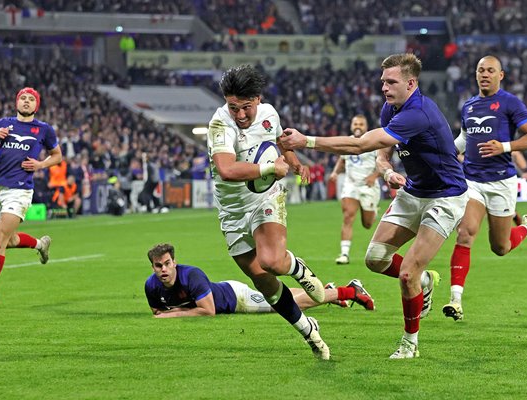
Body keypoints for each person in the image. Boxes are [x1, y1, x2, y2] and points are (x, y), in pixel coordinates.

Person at [281, 53, 469, 359]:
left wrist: (308, 141)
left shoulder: (418, 111)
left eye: (391, 81)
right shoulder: (390, 108)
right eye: (382, 81)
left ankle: (410, 343)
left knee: (406, 273)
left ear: (411, 83)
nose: (384, 87)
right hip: (413, 191)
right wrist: (386, 171)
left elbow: (360, 145)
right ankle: (423, 281)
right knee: (375, 259)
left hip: (446, 196)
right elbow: (382, 153)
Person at [206, 64, 353, 360]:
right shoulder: (220, 124)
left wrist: (295, 162)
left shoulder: (270, 114)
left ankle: (298, 269)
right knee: (265, 283)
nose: (240, 115)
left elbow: (278, 142)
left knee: (272, 261)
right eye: (233, 107)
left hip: (265, 198)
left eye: (246, 107)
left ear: (258, 99)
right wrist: (271, 167)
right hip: (232, 212)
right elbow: (226, 169)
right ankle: (309, 331)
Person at [442, 55, 527, 322]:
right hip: (473, 181)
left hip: (501, 182)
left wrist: (505, 147)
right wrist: (446, 153)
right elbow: (465, 138)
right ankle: (456, 300)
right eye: (480, 70)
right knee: (465, 233)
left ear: (501, 75)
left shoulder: (510, 103)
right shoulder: (469, 106)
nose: (484, 74)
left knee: (500, 247)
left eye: (490, 70)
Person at [0, 87, 63, 308]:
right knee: (10, 240)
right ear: (17, 102)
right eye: (22, 98)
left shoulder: (43, 129)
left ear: (37, 105)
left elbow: (57, 156)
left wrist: (40, 164)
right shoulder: (3, 124)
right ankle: (40, 244)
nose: (26, 102)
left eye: (31, 99)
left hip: (20, 190)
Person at [144, 243, 375, 317]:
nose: (163, 269)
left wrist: (172, 315)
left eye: (167, 264)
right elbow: (157, 311)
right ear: (153, 267)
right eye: (158, 266)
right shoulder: (151, 285)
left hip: (237, 299)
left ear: (174, 262)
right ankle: (328, 291)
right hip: (230, 291)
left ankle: (349, 291)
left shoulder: (191, 274)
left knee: (288, 305)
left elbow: (208, 311)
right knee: (287, 294)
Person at [328, 115, 380, 265]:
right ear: (351, 126)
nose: (358, 126)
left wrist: (374, 175)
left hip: (368, 186)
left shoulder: (373, 142)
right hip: (350, 185)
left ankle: (374, 211)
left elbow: (384, 162)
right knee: (348, 216)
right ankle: (344, 254)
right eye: (355, 123)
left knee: (367, 224)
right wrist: (335, 172)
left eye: (361, 124)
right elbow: (342, 159)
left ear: (366, 126)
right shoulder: (348, 141)